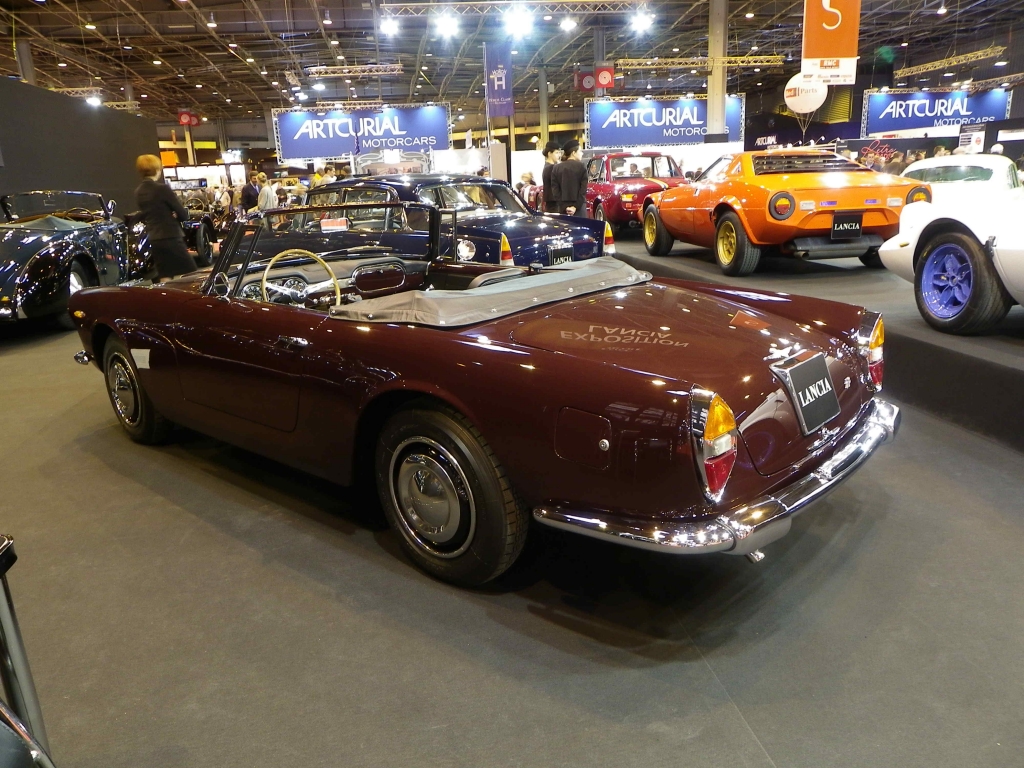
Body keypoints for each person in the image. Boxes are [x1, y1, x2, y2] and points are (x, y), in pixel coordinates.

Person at [134, 154, 195, 281]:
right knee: (191, 274)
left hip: (155, 238)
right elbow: (183, 214)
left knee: (165, 275)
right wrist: (175, 215)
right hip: (171, 236)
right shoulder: (162, 189)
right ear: (157, 169)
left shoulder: (139, 191)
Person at [551, 139, 588, 216]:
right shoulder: (581, 167)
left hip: (563, 210)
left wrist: (564, 206)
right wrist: (575, 207)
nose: (582, 153)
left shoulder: (556, 168)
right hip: (579, 210)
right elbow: (583, 190)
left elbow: (555, 191)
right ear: (573, 153)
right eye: (580, 151)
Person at [541, 141, 561, 213]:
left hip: (552, 203)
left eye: (559, 153)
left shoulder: (549, 166)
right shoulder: (550, 168)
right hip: (553, 204)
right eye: (556, 153)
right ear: (549, 153)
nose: (559, 155)